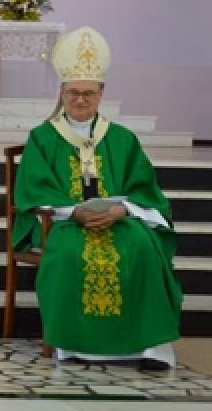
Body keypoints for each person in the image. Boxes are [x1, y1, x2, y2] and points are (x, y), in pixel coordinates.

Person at [11, 26, 182, 369]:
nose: (80, 100)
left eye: (88, 93)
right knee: (71, 254)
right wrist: (73, 211)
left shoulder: (121, 139)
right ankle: (72, 346)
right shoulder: (43, 138)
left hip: (118, 220)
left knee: (143, 248)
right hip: (67, 223)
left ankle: (150, 349)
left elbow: (145, 190)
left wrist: (123, 210)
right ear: (61, 93)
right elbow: (32, 190)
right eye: (73, 92)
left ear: (101, 95)